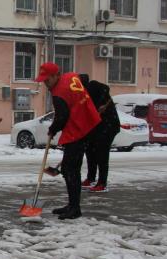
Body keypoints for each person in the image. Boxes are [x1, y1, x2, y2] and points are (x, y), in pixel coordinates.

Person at [35, 62, 100, 220]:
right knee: (69, 168)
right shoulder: (70, 76)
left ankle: (74, 208)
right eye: (43, 80)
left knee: (70, 170)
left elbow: (62, 117)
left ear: (56, 75)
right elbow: (84, 78)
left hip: (78, 130)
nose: (45, 83)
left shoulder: (59, 93)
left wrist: (53, 129)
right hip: (88, 122)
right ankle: (72, 205)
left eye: (47, 80)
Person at [81, 74, 120, 193]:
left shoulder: (93, 86)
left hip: (108, 125)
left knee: (101, 153)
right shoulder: (82, 94)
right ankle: (91, 178)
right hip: (96, 126)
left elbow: (106, 88)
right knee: (90, 150)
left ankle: (102, 183)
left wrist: (101, 105)